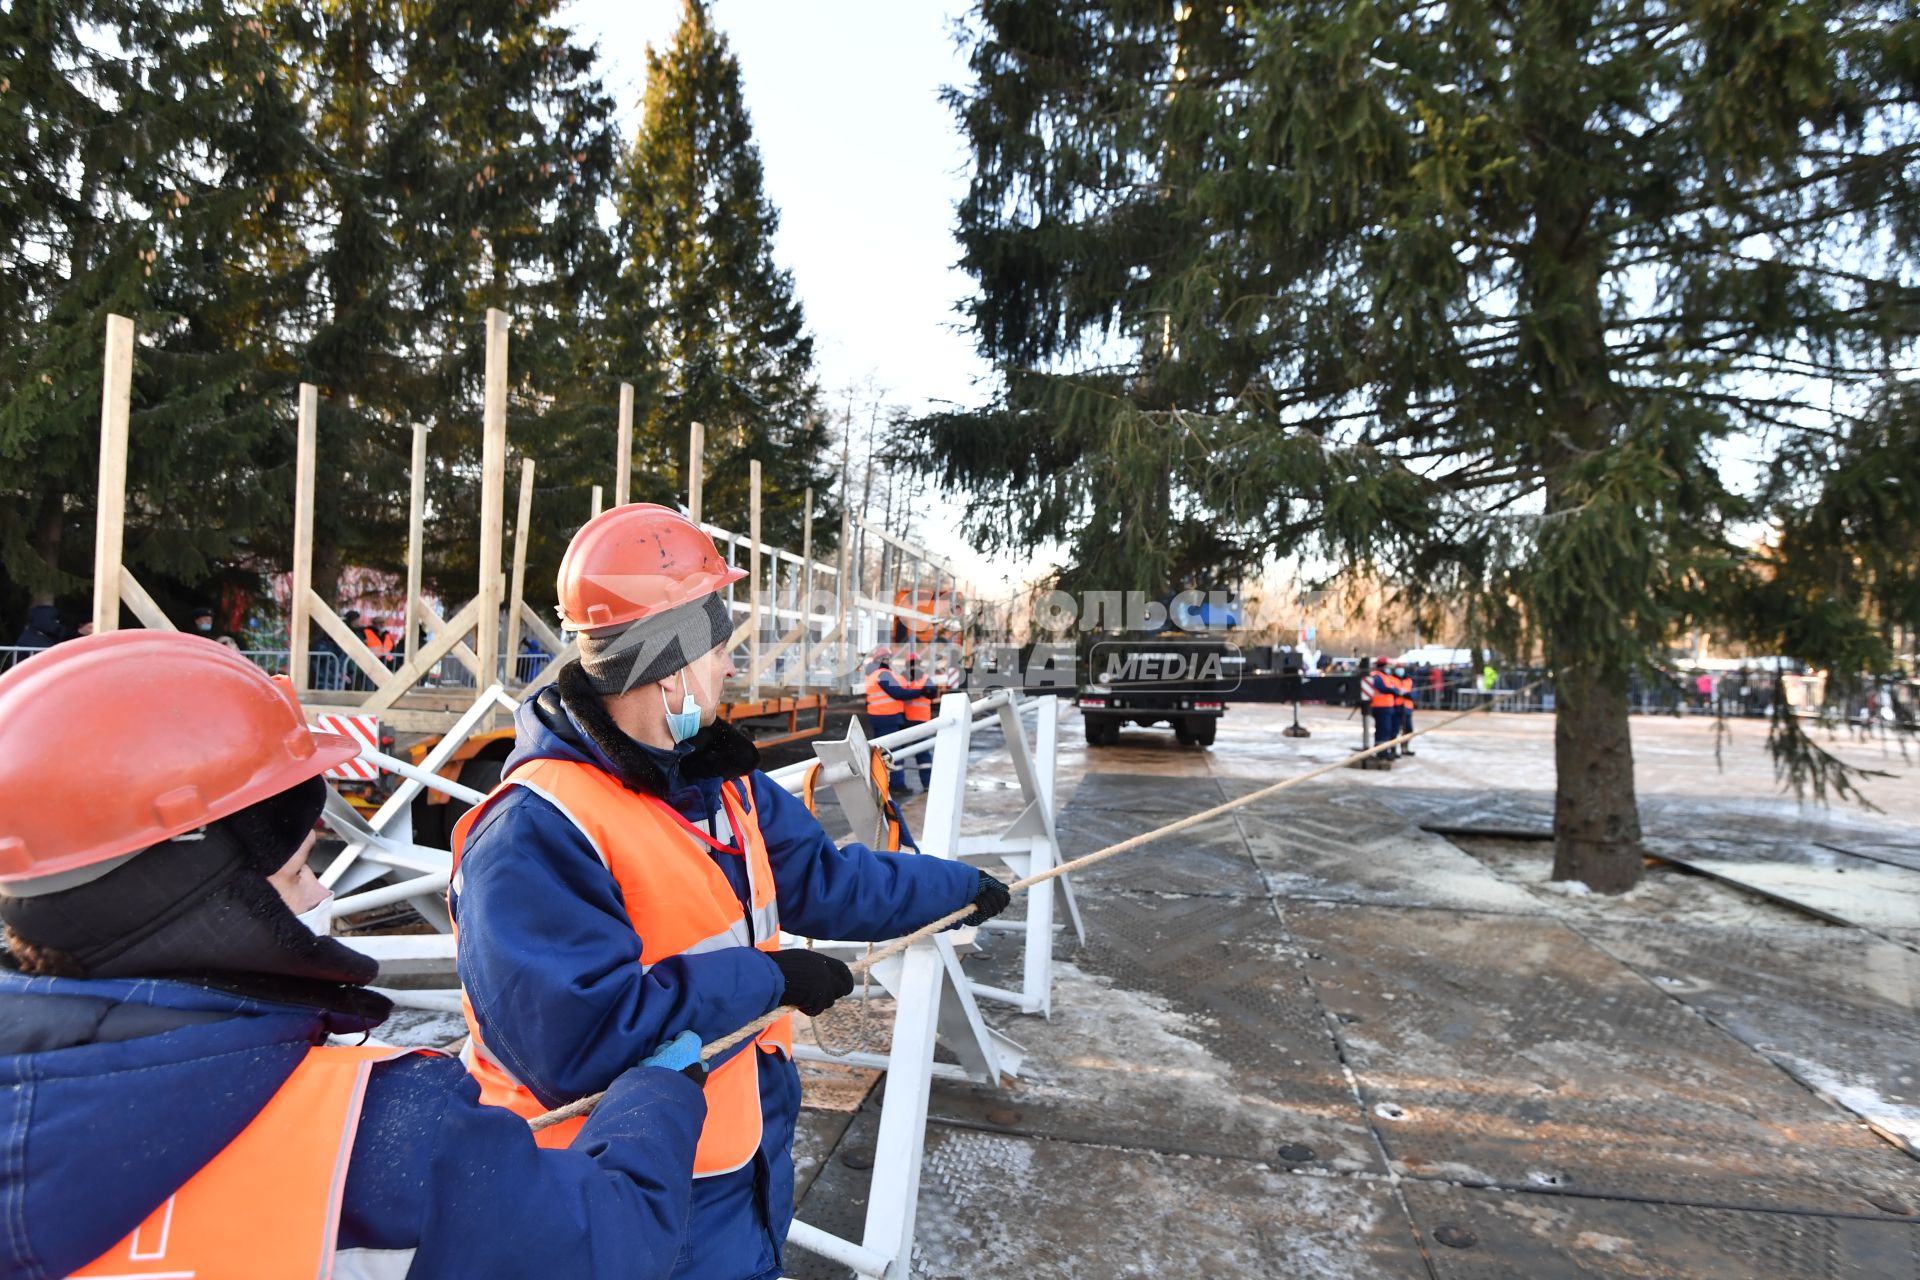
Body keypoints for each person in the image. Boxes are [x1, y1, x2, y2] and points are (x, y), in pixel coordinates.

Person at [0, 631, 708, 1280]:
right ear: (206, 905)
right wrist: (657, 1096)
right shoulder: (381, 1134)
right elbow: (607, 1241)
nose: (320, 891)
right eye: (301, 867)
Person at [449, 503, 1011, 1280]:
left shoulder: (717, 781)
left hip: (734, 1157)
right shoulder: (533, 831)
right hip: (613, 1197)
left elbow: (825, 880)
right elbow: (576, 1042)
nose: (731, 669)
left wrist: (957, 889)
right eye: (719, 648)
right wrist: (770, 980)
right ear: (669, 660)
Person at [863, 646, 926, 792]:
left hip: (879, 717)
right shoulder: (883, 674)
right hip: (888, 718)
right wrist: (920, 691)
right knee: (893, 753)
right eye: (888, 658)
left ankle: (885, 784)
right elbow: (898, 693)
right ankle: (896, 785)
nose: (889, 661)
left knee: (884, 753)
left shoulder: (873, 674)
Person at [898, 651, 935, 791]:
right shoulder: (925, 678)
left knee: (898, 753)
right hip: (920, 721)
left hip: (905, 720)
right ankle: (927, 784)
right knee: (923, 754)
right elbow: (931, 692)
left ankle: (898, 785)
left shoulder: (901, 677)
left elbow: (898, 693)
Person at [14, 603, 92, 652]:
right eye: (54, 620)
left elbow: (64, 634)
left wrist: (80, 632)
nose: (57, 623)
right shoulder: (32, 639)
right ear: (44, 620)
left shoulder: (43, 633)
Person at [1368, 656, 1399, 758]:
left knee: (1386, 730)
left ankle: (1383, 750)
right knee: (1383, 730)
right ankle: (1381, 751)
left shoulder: (1385, 676)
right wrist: (1394, 691)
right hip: (1380, 706)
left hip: (1387, 707)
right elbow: (1383, 688)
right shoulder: (1377, 676)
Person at [1393, 664, 1416, 756]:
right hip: (1396, 707)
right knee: (1394, 730)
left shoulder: (1409, 680)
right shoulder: (1391, 679)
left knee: (1408, 730)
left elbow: (1415, 693)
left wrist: (1409, 695)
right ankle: (1393, 749)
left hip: (1407, 708)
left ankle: (1405, 748)